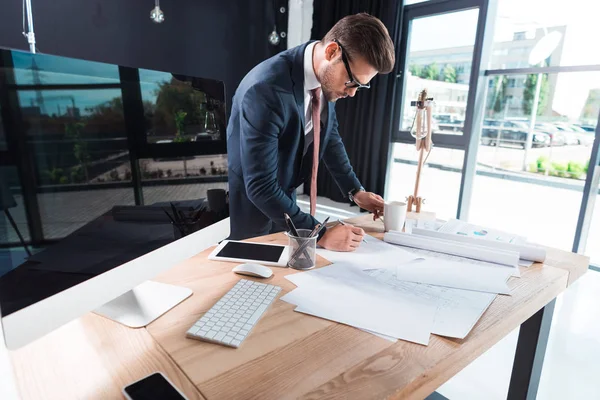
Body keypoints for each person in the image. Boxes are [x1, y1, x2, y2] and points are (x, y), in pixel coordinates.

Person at [226, 13, 395, 252]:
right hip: (253, 208)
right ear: (332, 52)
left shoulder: (327, 79)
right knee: (251, 284)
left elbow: (329, 136)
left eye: (360, 86)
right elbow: (261, 186)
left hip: (285, 199)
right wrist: (321, 233)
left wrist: (355, 191)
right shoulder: (265, 90)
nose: (352, 93)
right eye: (352, 82)